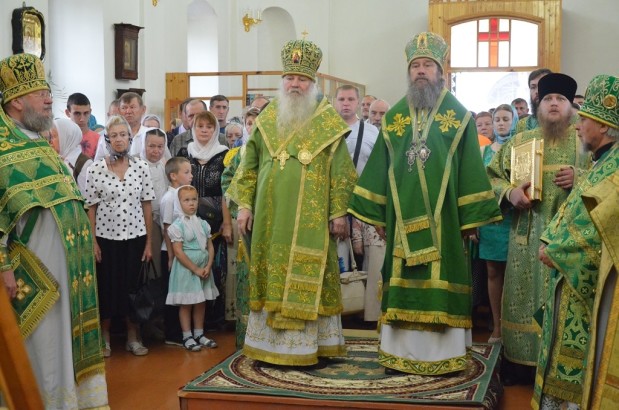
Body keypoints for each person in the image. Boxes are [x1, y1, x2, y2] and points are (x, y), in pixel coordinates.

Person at [348, 32, 501, 376]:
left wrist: (470, 218)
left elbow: (471, 171)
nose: (420, 71)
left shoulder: (458, 116)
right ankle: (398, 354)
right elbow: (380, 168)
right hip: (400, 223)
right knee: (399, 282)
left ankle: (440, 355)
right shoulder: (395, 117)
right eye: (415, 66)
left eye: (427, 65)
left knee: (440, 281)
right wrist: (376, 214)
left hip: (443, 222)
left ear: (439, 71)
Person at [226, 38, 357, 367]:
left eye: (302, 79)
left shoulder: (327, 121)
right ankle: (270, 346)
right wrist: (244, 205)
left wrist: (339, 212)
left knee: (312, 274)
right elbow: (248, 166)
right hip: (269, 220)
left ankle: (313, 346)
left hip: (312, 222)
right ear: (282, 82)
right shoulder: (268, 118)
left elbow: (342, 172)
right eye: (290, 78)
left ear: (313, 83)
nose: (295, 84)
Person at [0, 53, 108, 408]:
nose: (49, 99)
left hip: (68, 274)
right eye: (40, 92)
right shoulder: (3, 147)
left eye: (49, 91)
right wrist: (3, 266)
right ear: (16, 101)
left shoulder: (37, 142)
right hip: (35, 275)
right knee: (44, 345)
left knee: (64, 342)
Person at [486, 73, 591, 385]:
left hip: (569, 243)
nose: (554, 104)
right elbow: (491, 177)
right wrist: (510, 192)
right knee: (522, 303)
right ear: (538, 104)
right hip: (525, 242)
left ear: (571, 105)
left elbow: (610, 180)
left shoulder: (585, 141)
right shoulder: (520, 141)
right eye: (548, 99)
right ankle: (521, 367)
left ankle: (562, 370)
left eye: (560, 99)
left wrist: (580, 177)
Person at [533, 74, 619, 409]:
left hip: (593, 284)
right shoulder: (603, 162)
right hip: (569, 278)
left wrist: (557, 250)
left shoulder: (614, 168)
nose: (579, 125)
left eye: (585, 119)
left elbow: (602, 227)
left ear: (603, 125)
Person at [85, 114, 156, 357]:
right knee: (107, 287)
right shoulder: (95, 169)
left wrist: (148, 242)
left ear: (129, 138)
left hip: (135, 237)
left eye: (122, 135)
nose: (118, 139)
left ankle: (133, 337)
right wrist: (93, 241)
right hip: (106, 239)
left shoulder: (141, 167)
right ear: (107, 139)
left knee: (132, 287)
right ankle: (104, 338)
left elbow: (147, 204)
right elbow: (91, 207)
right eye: (113, 135)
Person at [334, 84, 383, 324]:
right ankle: (342, 310)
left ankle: (369, 313)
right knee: (340, 258)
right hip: (336, 206)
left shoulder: (372, 133)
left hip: (366, 206)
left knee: (369, 257)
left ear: (359, 102)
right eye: (341, 99)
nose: (346, 103)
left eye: (350, 99)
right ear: (335, 102)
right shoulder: (327, 131)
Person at [476, 104, 519, 344]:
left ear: (513, 122)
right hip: (491, 219)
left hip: (516, 217)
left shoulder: (521, 148)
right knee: (493, 272)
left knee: (516, 273)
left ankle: (514, 326)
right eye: (497, 119)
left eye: (506, 119)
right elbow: (478, 188)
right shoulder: (484, 153)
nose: (501, 123)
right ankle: (497, 327)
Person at [188, 110, 229, 329]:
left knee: (215, 267)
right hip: (190, 219)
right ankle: (194, 321)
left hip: (216, 222)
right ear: (193, 129)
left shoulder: (224, 154)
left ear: (215, 130)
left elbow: (227, 190)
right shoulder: (187, 152)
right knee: (194, 265)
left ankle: (215, 318)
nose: (204, 130)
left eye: (209, 127)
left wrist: (227, 222)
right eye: (200, 126)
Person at [166, 185, 219, 351]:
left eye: (194, 199)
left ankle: (199, 333)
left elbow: (209, 246)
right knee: (187, 303)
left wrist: (208, 265)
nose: (191, 204)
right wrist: (195, 269)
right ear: (178, 203)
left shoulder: (203, 224)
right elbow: (178, 252)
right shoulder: (177, 226)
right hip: (187, 270)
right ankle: (187, 335)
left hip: (204, 269)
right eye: (186, 200)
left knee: (200, 302)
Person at [160, 157, 194, 346]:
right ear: (173, 176)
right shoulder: (170, 197)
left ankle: (184, 331)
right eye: (186, 172)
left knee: (183, 292)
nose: (191, 175)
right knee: (173, 293)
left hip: (183, 251)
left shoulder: (182, 194)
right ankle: (172, 333)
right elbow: (167, 227)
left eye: (190, 172)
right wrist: (172, 256)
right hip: (171, 251)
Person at [50, 117, 93, 195]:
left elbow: (86, 198)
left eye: (53, 137)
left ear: (66, 137)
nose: (50, 141)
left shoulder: (85, 164)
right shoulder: (55, 160)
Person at [65, 92, 101, 159]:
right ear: (67, 113)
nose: (82, 119)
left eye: (86, 113)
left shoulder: (99, 140)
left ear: (90, 112)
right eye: (77, 114)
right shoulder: (60, 139)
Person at [516, 68, 552, 133]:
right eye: (533, 87)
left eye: (542, 86)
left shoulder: (570, 122)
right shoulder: (522, 125)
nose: (537, 91)